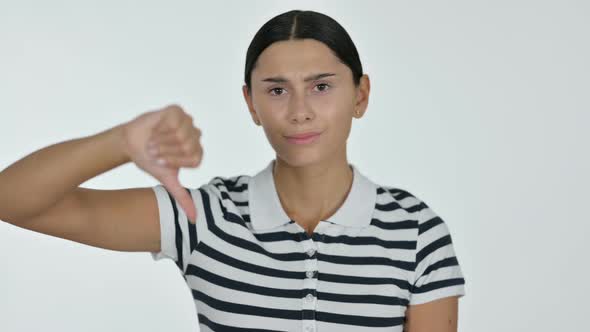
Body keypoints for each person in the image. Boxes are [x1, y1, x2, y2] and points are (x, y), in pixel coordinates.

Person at [0, 9, 466, 332]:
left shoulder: (417, 233)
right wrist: (120, 142)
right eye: (277, 90)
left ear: (360, 95)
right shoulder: (205, 217)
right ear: (252, 103)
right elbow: (12, 199)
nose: (299, 111)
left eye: (321, 86)